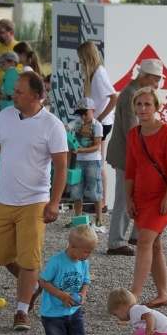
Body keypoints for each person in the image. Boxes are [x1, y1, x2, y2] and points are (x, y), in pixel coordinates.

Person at [0, 71, 68, 331]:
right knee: (3, 255)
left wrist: (54, 202)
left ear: (35, 96)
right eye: (14, 90)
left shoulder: (52, 125)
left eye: (19, 92)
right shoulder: (6, 115)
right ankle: (33, 285)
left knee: (30, 260)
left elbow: (61, 167)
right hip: (4, 200)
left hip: (35, 201)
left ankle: (22, 311)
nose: (13, 95)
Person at [125, 86, 167, 307]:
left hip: (161, 198)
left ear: (156, 107)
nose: (143, 108)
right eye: (139, 104)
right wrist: (128, 199)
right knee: (154, 245)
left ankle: (134, 295)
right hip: (140, 197)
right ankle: (162, 294)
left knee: (144, 242)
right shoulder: (133, 133)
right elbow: (130, 169)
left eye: (148, 104)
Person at [106, 59, 163, 257]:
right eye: (155, 79)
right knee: (125, 198)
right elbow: (133, 131)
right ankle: (116, 241)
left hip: (127, 155)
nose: (156, 84)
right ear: (145, 76)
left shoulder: (132, 92)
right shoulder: (131, 95)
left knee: (134, 196)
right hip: (127, 157)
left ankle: (134, 235)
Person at [38, 224, 97, 335]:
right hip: (53, 312)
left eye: (91, 251)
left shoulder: (84, 262)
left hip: (74, 310)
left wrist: (83, 295)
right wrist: (61, 295)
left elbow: (85, 282)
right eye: (86, 251)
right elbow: (43, 282)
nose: (89, 255)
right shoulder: (56, 262)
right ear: (73, 247)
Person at [77, 41, 118, 213]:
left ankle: (101, 203)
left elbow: (114, 97)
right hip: (99, 123)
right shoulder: (95, 74)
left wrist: (99, 118)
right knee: (96, 162)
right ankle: (99, 202)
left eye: (81, 58)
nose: (80, 62)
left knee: (97, 163)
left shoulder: (99, 74)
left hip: (102, 124)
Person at [66, 97, 106, 233]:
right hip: (78, 160)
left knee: (95, 190)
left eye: (86, 113)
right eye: (81, 114)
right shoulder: (77, 122)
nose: (83, 117)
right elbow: (68, 126)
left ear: (93, 111)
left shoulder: (97, 125)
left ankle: (99, 219)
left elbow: (96, 146)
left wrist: (81, 150)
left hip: (92, 160)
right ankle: (78, 219)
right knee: (76, 190)